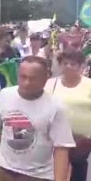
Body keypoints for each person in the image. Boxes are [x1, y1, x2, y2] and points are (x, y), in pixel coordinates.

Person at [0, 56, 76, 181]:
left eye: (32, 79)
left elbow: (62, 149)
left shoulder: (56, 107)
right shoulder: (5, 95)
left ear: (45, 79)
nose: (26, 82)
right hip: (3, 168)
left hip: (37, 175)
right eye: (23, 77)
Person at [44, 50, 91, 181]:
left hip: (81, 141)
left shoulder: (89, 85)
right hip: (55, 139)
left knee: (78, 170)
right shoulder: (50, 84)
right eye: (65, 63)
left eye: (73, 64)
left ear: (81, 66)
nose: (69, 66)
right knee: (55, 171)